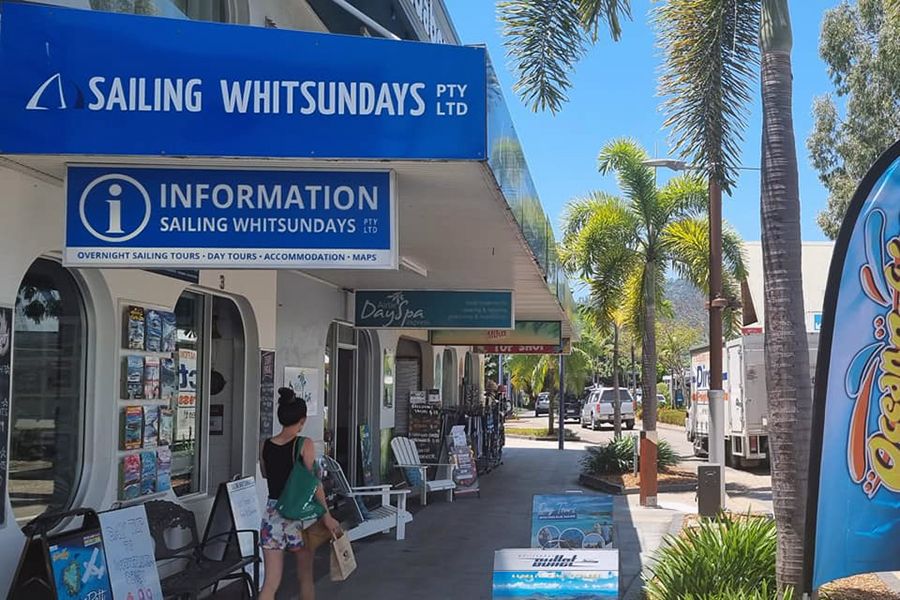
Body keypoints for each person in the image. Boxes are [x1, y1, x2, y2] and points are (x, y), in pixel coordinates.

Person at [259, 387, 340, 600]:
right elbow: (314, 484)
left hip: (272, 514)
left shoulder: (265, 444)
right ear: (302, 420)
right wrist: (327, 516)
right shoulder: (305, 444)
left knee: (270, 583)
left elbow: (265, 474)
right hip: (300, 517)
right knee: (305, 577)